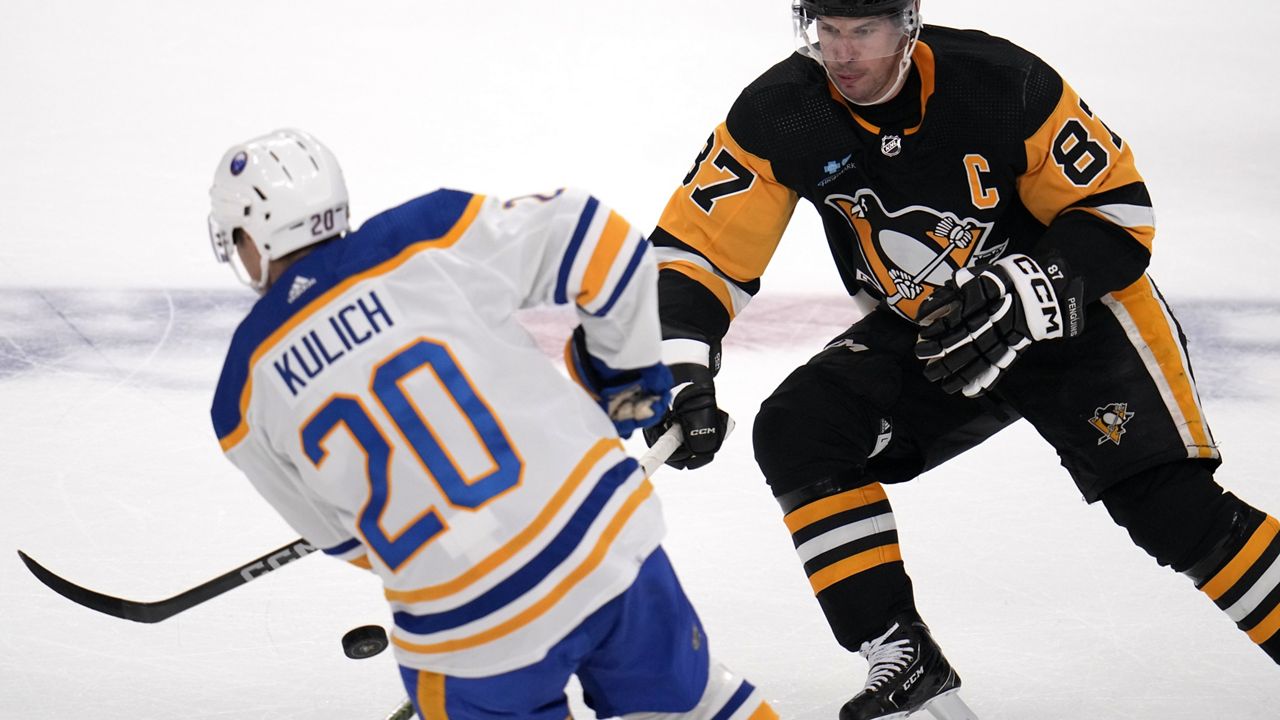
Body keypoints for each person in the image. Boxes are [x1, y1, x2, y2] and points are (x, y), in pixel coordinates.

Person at [640, 1, 1280, 718]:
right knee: (801, 429)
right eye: (828, 30)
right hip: (940, 334)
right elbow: (697, 251)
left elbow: (1118, 214)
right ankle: (900, 649)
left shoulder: (1003, 84)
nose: (843, 54)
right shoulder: (780, 113)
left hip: (1078, 315)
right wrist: (681, 368)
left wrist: (1031, 283)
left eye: (865, 31)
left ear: (909, 24)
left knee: (1174, 514)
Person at [206, 128, 777, 720]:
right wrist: (626, 378)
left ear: (252, 234)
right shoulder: (424, 235)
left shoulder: (240, 396)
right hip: (601, 540)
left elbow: (347, 540)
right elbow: (597, 239)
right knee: (698, 707)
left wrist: (450, 541)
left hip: (466, 630)